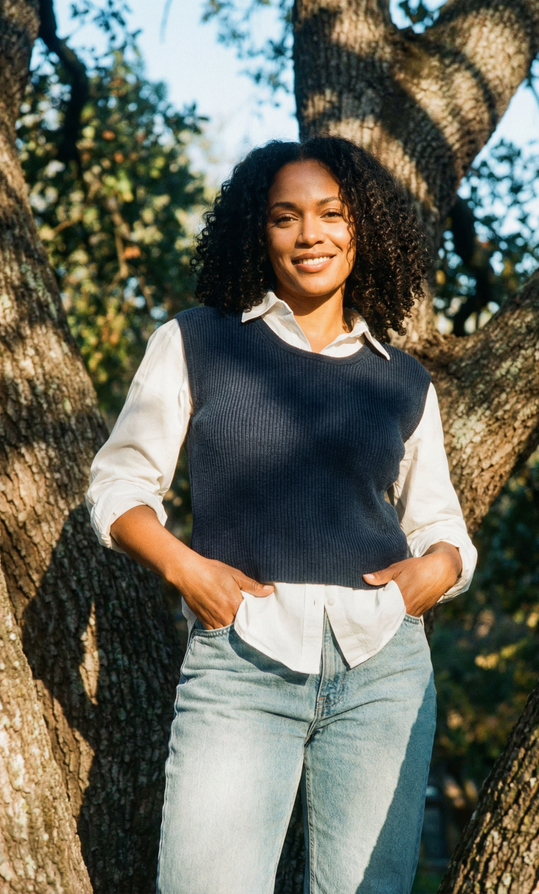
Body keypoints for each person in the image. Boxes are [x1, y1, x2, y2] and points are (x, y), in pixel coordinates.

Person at [87, 135, 477, 894]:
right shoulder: (196, 341)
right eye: (285, 217)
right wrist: (186, 569)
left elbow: (441, 524)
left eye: (332, 214)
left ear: (361, 227)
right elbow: (118, 484)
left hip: (383, 671)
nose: (310, 236)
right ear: (256, 231)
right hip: (241, 664)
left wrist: (437, 570)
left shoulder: (404, 380)